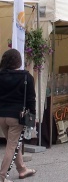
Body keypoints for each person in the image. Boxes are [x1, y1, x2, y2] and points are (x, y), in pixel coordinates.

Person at [0, 49, 37, 181]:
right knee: (12, 145)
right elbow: (31, 99)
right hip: (17, 116)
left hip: (1, 115)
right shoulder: (26, 77)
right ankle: (2, 176)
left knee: (14, 143)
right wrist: (33, 115)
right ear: (18, 61)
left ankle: (22, 169)